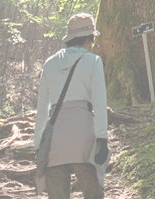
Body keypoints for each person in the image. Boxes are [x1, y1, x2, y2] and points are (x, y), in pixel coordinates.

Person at [33, 13, 109, 199]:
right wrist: (102, 138)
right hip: (84, 138)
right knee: (93, 194)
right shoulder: (93, 62)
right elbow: (100, 103)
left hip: (55, 141)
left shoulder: (49, 64)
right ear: (88, 38)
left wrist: (38, 144)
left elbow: (42, 109)